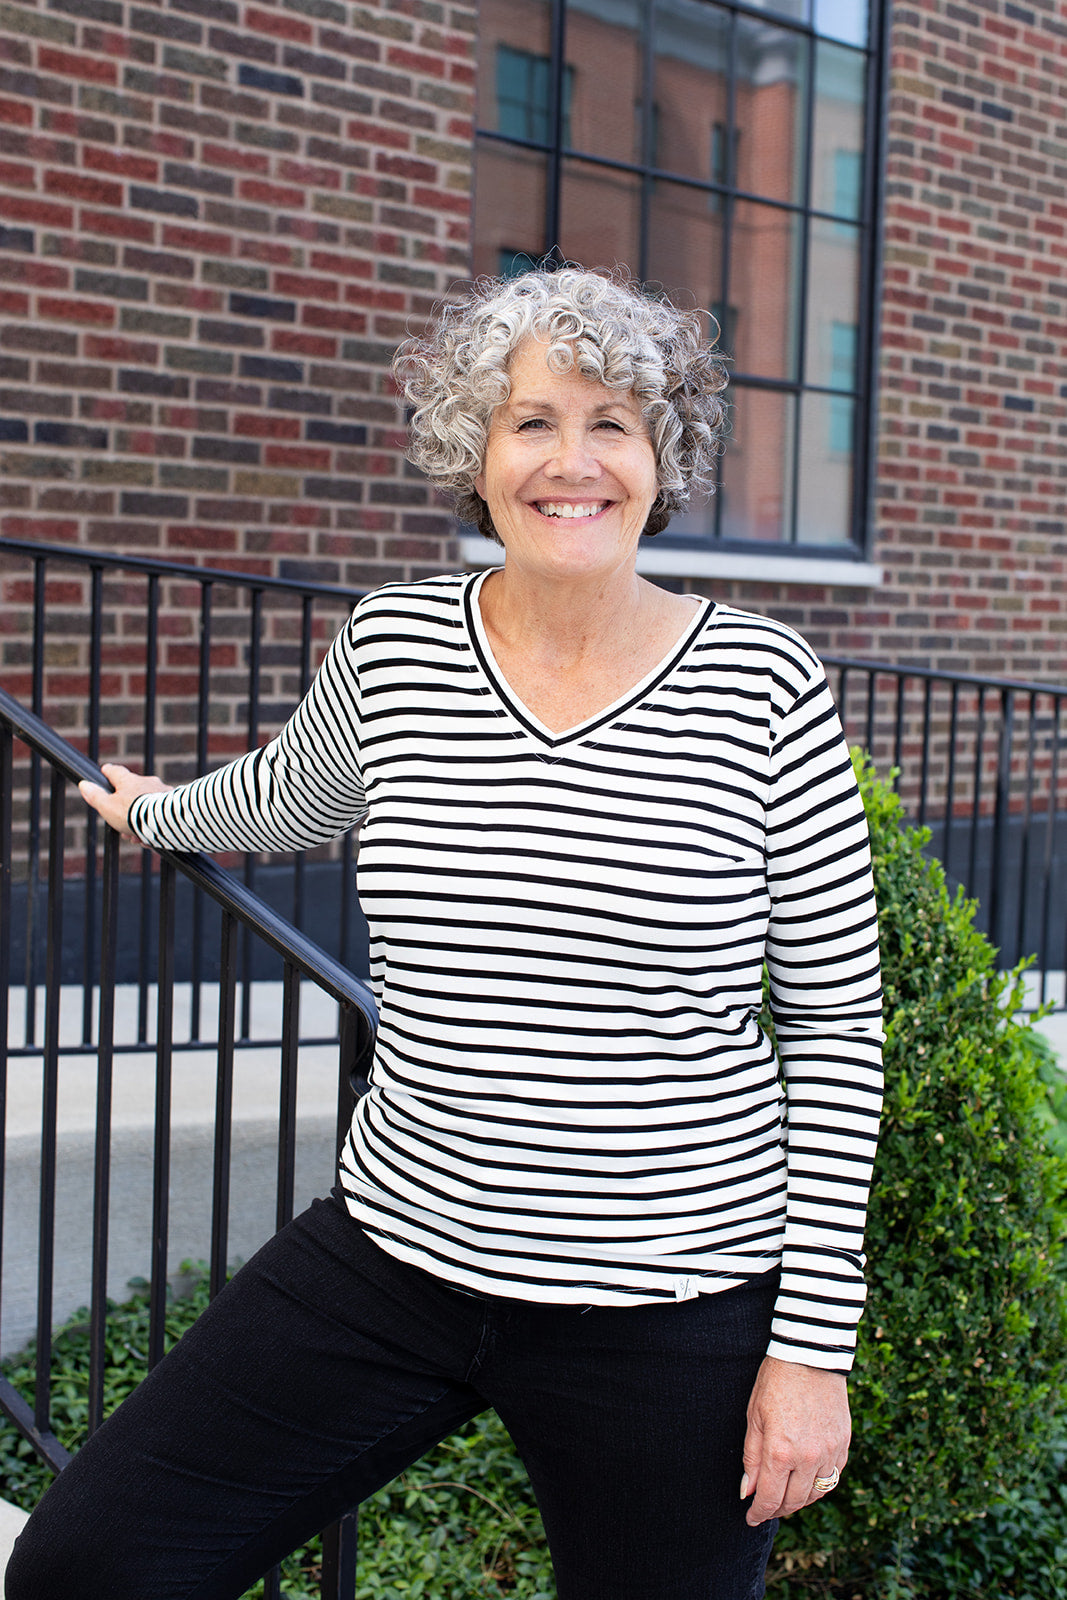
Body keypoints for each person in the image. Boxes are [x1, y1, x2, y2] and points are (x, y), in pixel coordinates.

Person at [6, 266, 883, 1600]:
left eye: (612, 423)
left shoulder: (764, 686)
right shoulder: (397, 649)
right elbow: (290, 794)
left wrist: (811, 1353)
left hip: (670, 1305)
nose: (571, 463)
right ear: (476, 452)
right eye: (531, 421)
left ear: (663, 456)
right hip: (396, 1257)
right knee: (86, 1567)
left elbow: (832, 1028)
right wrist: (156, 812)